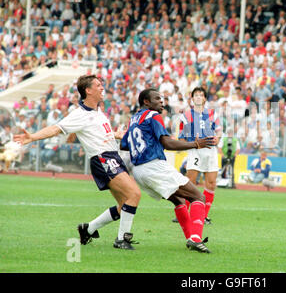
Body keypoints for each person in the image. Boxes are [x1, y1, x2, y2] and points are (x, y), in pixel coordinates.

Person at [14, 74, 142, 250]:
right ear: (88, 91)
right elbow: (55, 129)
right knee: (134, 194)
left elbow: (100, 132)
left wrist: (116, 134)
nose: (102, 87)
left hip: (112, 157)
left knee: (125, 204)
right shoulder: (79, 114)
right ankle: (121, 240)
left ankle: (88, 229)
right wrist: (32, 137)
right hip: (103, 159)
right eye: (98, 85)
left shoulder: (98, 111)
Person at [120, 88, 215, 253]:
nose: (161, 102)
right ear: (146, 102)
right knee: (198, 196)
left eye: (162, 98)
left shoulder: (134, 119)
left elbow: (123, 144)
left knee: (178, 200)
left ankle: (190, 238)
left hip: (138, 171)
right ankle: (196, 239)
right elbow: (168, 143)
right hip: (154, 166)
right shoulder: (153, 115)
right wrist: (195, 144)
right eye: (157, 99)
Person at [178, 87, 220, 224]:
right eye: (196, 95)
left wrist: (218, 138)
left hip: (211, 151)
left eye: (201, 95)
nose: (198, 97)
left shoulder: (213, 114)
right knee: (190, 181)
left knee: (212, 183)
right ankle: (184, 212)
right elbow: (181, 137)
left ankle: (203, 216)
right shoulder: (186, 116)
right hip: (195, 150)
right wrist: (190, 144)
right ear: (192, 98)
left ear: (205, 99)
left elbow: (219, 132)